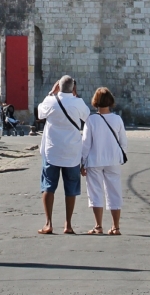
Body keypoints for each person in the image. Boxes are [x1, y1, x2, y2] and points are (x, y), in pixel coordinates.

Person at [37, 74, 90, 234]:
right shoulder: (78, 102)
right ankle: (68, 224)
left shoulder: (51, 100)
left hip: (52, 150)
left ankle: (48, 223)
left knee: (48, 186)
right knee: (71, 188)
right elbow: (87, 116)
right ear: (73, 88)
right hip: (72, 152)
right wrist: (75, 96)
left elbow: (40, 114)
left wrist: (51, 93)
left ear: (58, 86)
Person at [81, 87, 128, 235]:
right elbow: (123, 142)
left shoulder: (91, 120)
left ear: (95, 102)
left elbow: (86, 144)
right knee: (114, 191)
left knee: (95, 192)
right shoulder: (117, 119)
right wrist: (121, 156)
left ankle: (98, 226)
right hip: (113, 159)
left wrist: (82, 162)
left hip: (95, 160)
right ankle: (116, 226)